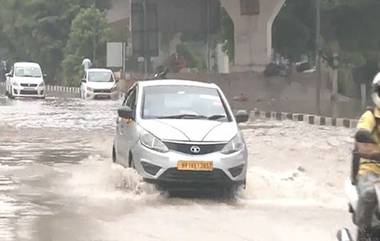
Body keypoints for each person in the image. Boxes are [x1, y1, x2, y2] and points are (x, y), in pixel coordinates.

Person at [354, 72, 380, 239]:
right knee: (369, 193)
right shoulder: (370, 116)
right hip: (371, 171)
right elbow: (361, 134)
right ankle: (363, 233)